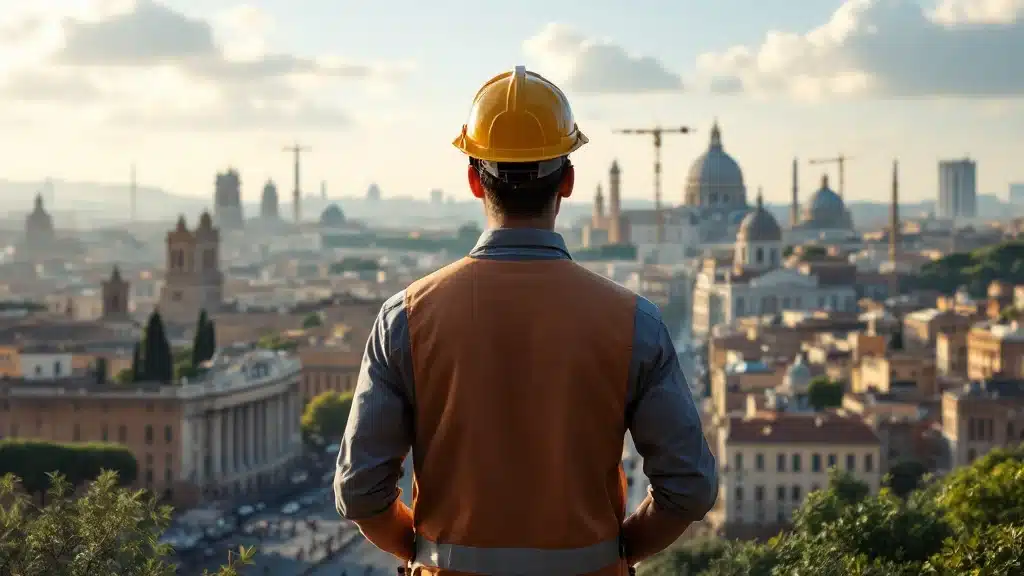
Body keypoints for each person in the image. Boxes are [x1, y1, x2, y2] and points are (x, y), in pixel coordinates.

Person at [335, 65, 718, 575]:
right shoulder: (634, 323)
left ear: (474, 180)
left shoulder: (405, 318)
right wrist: (621, 551)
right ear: (569, 181)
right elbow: (689, 487)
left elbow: (360, 493)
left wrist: (421, 551)